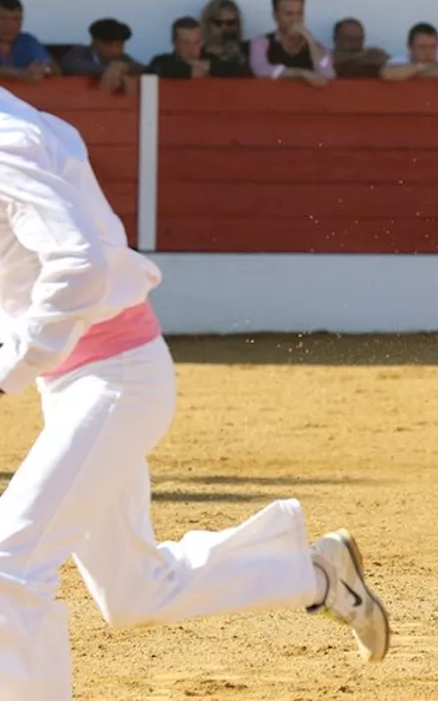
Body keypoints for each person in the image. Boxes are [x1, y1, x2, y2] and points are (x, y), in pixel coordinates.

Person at [0, 86, 390, 699]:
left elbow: (78, 266)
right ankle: (315, 576)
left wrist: (8, 371)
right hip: (89, 378)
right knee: (133, 591)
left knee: (10, 564)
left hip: (113, 378)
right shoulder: (28, 126)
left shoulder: (9, 143)